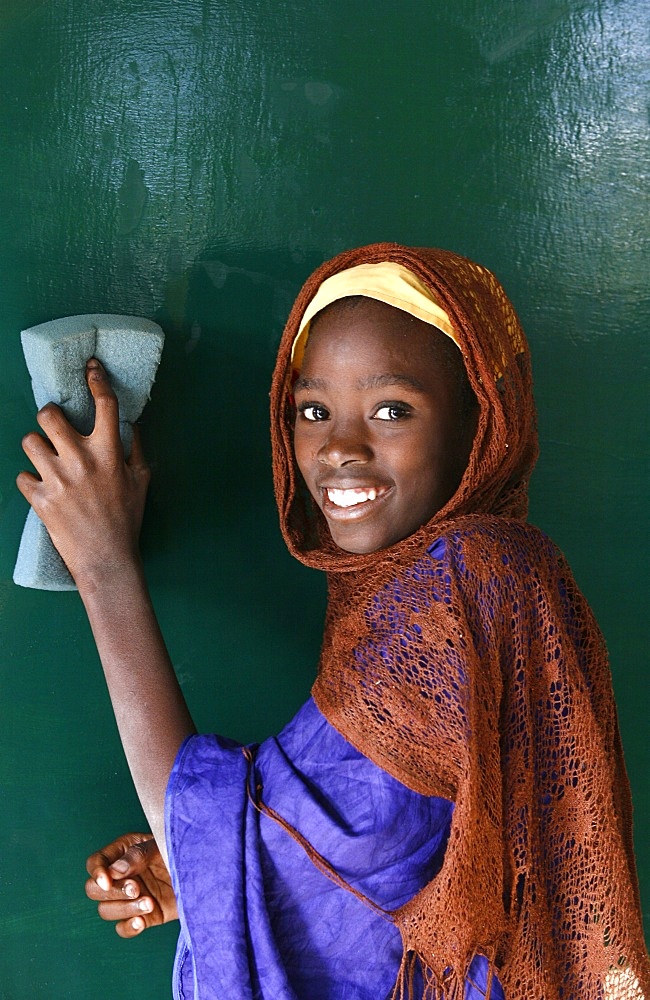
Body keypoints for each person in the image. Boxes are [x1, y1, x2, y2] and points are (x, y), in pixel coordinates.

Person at [17, 244, 649, 1000]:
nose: (340, 447)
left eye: (392, 409)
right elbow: (372, 858)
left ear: (477, 425)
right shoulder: (419, 590)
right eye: (312, 411)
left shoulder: (468, 579)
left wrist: (104, 566)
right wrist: (223, 879)